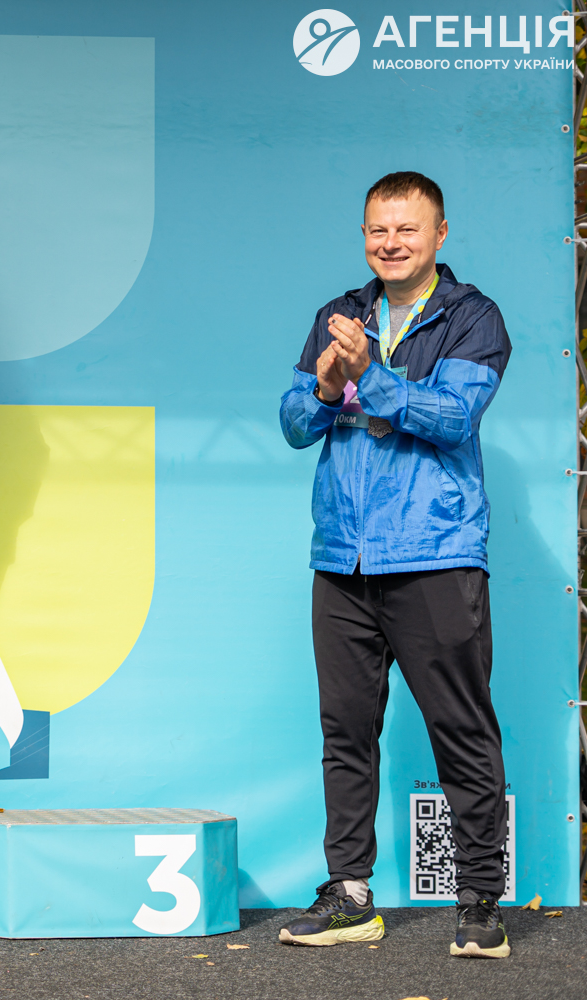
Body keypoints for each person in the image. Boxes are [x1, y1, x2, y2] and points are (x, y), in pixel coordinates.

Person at [278, 171, 511, 959]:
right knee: (346, 733)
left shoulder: (472, 317)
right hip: (342, 560)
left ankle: (478, 902)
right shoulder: (339, 314)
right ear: (364, 235)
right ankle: (349, 895)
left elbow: (454, 417)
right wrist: (326, 384)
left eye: (408, 229)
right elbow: (294, 423)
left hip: (435, 554)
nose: (391, 242)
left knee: (461, 730)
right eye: (379, 229)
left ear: (440, 234)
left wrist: (370, 376)